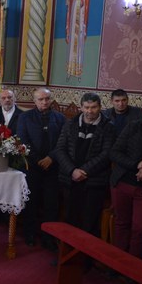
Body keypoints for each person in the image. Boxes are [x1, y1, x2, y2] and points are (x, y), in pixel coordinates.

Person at [53, 93, 116, 238]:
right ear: (81, 107)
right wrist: (72, 170)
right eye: (86, 107)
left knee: (90, 221)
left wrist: (84, 171)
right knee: (70, 218)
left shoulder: (109, 127)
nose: (90, 111)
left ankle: (87, 252)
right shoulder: (70, 124)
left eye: (93, 107)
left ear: (100, 107)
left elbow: (106, 154)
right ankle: (68, 249)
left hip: (94, 180)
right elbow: (60, 149)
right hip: (70, 179)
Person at [17, 88, 66, 247]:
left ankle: (48, 237)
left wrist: (51, 157)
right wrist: (38, 160)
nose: (44, 102)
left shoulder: (60, 118)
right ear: (34, 101)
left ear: (51, 99)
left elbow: (63, 141)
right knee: (31, 201)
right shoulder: (25, 117)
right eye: (41, 99)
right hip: (32, 166)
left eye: (47, 99)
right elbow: (23, 141)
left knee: (51, 204)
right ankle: (29, 233)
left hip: (53, 166)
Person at [109, 96, 142, 259]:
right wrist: (138, 164)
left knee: (139, 228)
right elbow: (114, 152)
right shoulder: (133, 126)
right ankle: (117, 262)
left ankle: (132, 266)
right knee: (121, 223)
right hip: (123, 182)